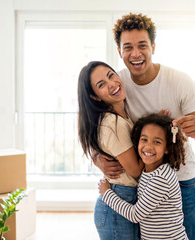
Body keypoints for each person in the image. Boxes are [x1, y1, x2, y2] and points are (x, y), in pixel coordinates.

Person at [93, 13, 195, 240]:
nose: (136, 53)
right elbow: (92, 122)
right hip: (142, 184)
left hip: (180, 183)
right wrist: (96, 156)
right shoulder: (117, 84)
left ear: (153, 46)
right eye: (128, 47)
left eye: (142, 45)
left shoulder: (179, 82)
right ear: (120, 52)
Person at [77, 61, 144, 240]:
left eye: (111, 75)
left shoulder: (123, 115)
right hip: (119, 203)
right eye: (102, 85)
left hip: (123, 200)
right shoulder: (113, 123)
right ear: (95, 96)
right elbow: (135, 170)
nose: (112, 84)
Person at [98, 113, 189, 240]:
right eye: (144, 139)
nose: (148, 146)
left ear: (167, 148)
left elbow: (135, 215)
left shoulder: (161, 178)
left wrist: (106, 193)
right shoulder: (148, 171)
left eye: (157, 142)